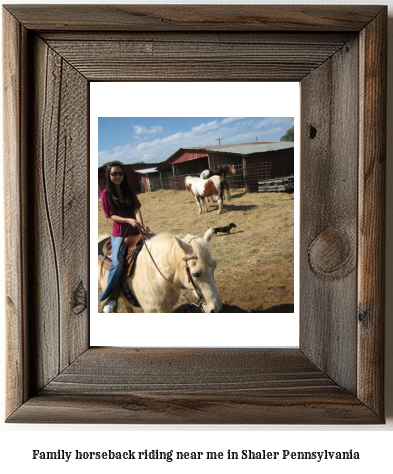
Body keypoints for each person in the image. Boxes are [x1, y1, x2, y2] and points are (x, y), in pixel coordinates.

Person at [99, 161, 150, 312]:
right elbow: (111, 215)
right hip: (120, 233)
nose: (118, 176)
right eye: (114, 173)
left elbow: (136, 208)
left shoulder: (129, 190)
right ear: (109, 175)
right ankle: (111, 296)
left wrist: (141, 225)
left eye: (120, 173)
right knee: (118, 261)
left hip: (135, 231)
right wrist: (127, 220)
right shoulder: (105, 194)